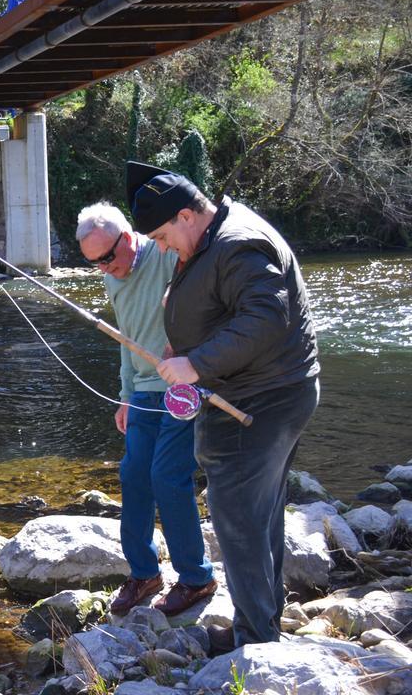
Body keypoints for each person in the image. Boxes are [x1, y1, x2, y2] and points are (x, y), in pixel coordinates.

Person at [127, 161, 320, 647]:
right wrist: (184, 348)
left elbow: (265, 318)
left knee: (237, 520)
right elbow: (226, 309)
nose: (163, 248)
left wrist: (196, 363)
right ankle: (260, 624)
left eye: (164, 236)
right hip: (262, 393)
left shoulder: (238, 243)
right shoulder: (215, 236)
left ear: (187, 216)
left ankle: (255, 642)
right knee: (258, 516)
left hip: (259, 403)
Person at [75, 202, 216, 617]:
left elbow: (204, 283)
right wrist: (124, 393)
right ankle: (145, 573)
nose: (103, 268)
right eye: (93, 264)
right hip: (141, 394)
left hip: (183, 389)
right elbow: (126, 338)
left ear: (129, 238)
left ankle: (196, 577)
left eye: (106, 258)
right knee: (133, 475)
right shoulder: (112, 278)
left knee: (167, 477)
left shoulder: (165, 251)